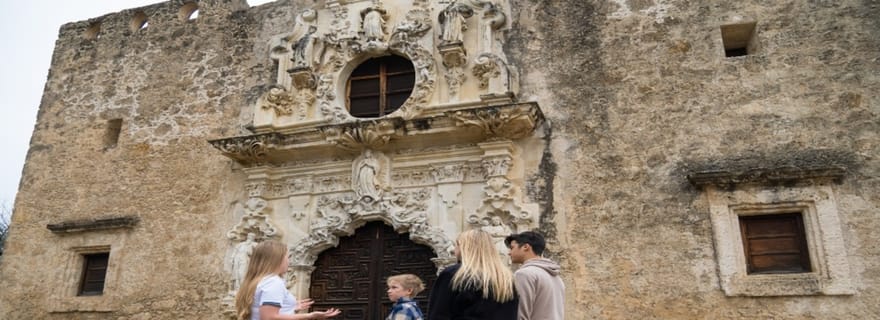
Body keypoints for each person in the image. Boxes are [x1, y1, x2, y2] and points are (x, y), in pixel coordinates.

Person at [234, 240, 342, 320]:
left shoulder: (258, 281)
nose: (288, 261)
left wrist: (290, 307)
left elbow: (260, 312)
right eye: (287, 257)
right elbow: (268, 317)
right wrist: (310, 315)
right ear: (276, 260)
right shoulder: (273, 282)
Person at [428, 229, 518, 320]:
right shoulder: (505, 278)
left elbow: (438, 314)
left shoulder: (454, 274)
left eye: (456, 245)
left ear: (464, 248)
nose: (453, 250)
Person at [504, 231, 565, 320]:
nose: (509, 253)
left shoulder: (524, 274)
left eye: (512, 248)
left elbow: (520, 315)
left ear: (525, 247)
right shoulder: (556, 277)